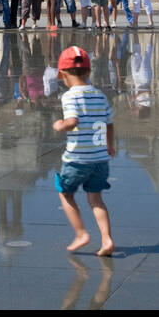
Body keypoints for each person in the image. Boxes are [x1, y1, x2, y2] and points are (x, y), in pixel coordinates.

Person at [51, 46, 116, 256]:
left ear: (62, 74)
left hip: (77, 159)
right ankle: (106, 240)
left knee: (65, 193)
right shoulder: (100, 95)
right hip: (100, 159)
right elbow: (109, 123)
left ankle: (81, 234)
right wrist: (110, 145)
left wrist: (59, 125)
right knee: (96, 199)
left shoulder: (69, 96)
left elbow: (72, 121)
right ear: (88, 72)